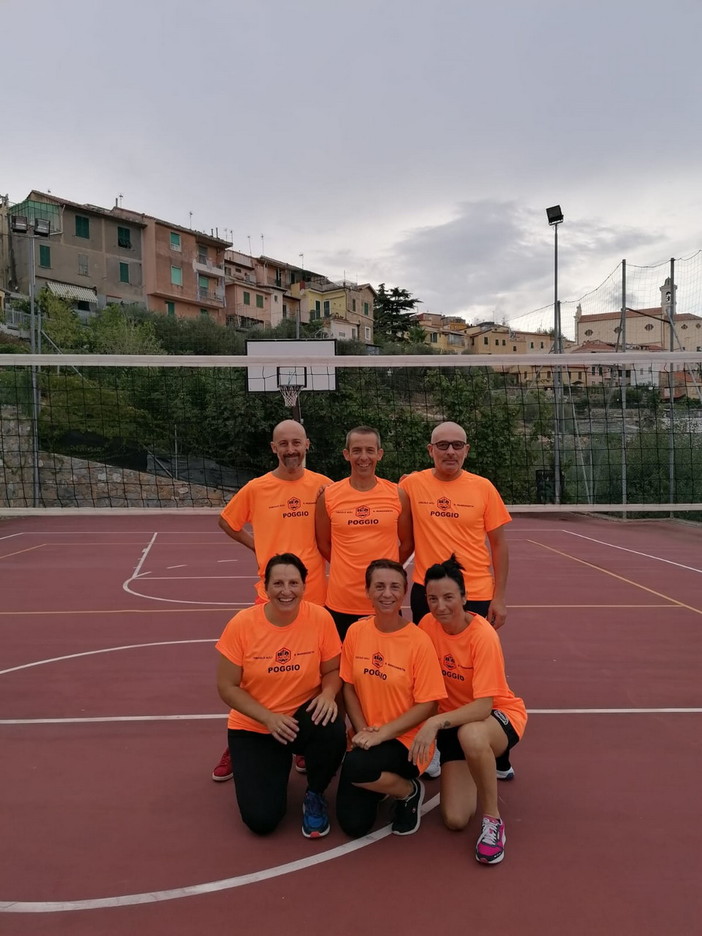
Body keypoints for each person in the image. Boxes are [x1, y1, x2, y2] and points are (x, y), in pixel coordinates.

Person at [212, 419, 332, 782]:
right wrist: (258, 549)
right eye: (284, 444)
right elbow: (226, 522)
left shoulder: (324, 486)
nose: (291, 449)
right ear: (273, 448)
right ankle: (242, 738)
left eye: (297, 442)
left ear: (307, 444)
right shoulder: (256, 488)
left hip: (315, 594)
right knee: (256, 672)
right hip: (271, 594)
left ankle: (303, 742)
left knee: (310, 671)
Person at [399, 420, 513, 780]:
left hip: (474, 593)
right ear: (430, 450)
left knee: (479, 677)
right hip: (426, 592)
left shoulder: (483, 488)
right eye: (442, 445)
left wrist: (500, 597)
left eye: (457, 445)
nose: (450, 451)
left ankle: (497, 748)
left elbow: (499, 545)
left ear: (467, 449)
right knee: (429, 671)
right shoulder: (411, 484)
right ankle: (432, 746)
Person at [215, 553, 346, 838]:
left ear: (304, 585)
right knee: (261, 821)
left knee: (331, 725)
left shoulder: (320, 618)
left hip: (302, 717)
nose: (286, 591)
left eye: (293, 583)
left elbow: (333, 670)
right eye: (278, 583)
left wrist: (327, 692)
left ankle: (315, 792)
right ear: (265, 587)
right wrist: (268, 718)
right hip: (257, 725)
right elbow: (226, 686)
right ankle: (271, 764)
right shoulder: (242, 624)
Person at [410, 556, 527, 865]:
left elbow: (484, 705)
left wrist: (434, 722)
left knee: (473, 735)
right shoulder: (426, 626)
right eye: (432, 599)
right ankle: (483, 765)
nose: (440, 606)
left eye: (449, 597)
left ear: (464, 597)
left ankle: (493, 821)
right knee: (455, 819)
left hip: (494, 716)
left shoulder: (482, 636)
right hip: (453, 724)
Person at [335, 559, 447, 838]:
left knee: (356, 767)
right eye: (380, 586)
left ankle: (408, 790)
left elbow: (428, 704)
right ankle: (383, 784)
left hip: (406, 741)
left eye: (395, 587)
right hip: (367, 736)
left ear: (404, 592)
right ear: (367, 591)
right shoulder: (356, 632)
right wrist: (362, 729)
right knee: (353, 825)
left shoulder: (418, 641)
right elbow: (348, 686)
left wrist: (382, 734)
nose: (387, 594)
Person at [315, 426, 413, 640]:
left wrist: (388, 570)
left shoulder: (397, 494)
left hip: (385, 599)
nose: (363, 457)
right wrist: (345, 565)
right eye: (357, 450)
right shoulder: (329, 496)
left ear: (379, 454)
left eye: (370, 450)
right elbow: (323, 543)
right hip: (342, 601)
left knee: (387, 666)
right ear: (346, 454)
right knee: (341, 668)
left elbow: (407, 544)